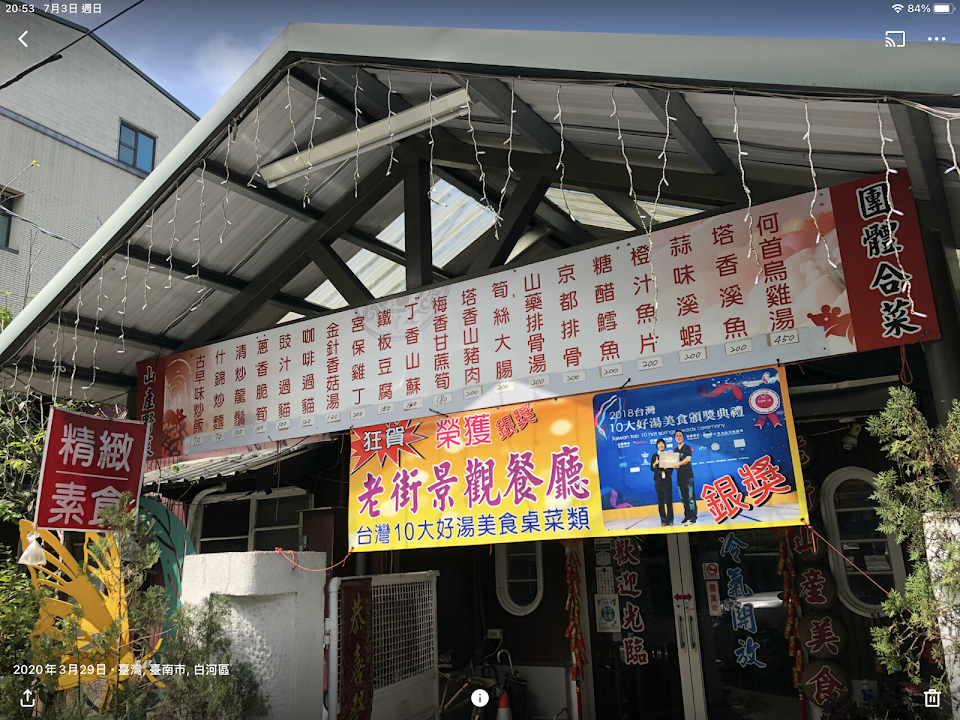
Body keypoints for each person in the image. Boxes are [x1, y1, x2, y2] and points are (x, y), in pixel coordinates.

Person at [650, 438, 674, 526]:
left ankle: (670, 520)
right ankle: (663, 520)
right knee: (660, 501)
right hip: (658, 480)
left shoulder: (668, 455)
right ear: (657, 446)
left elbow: (671, 470)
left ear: (665, 445)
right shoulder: (654, 456)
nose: (661, 445)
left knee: (669, 500)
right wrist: (655, 464)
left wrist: (667, 468)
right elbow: (652, 468)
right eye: (659, 444)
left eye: (662, 444)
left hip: (667, 480)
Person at [675, 430, 697, 525]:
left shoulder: (687, 448)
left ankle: (693, 516)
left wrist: (679, 464)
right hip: (680, 477)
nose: (679, 437)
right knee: (683, 498)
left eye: (680, 436)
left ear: (683, 437)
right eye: (677, 436)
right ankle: (687, 516)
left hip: (688, 476)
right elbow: (673, 463)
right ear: (675, 438)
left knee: (690, 498)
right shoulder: (675, 451)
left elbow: (688, 459)